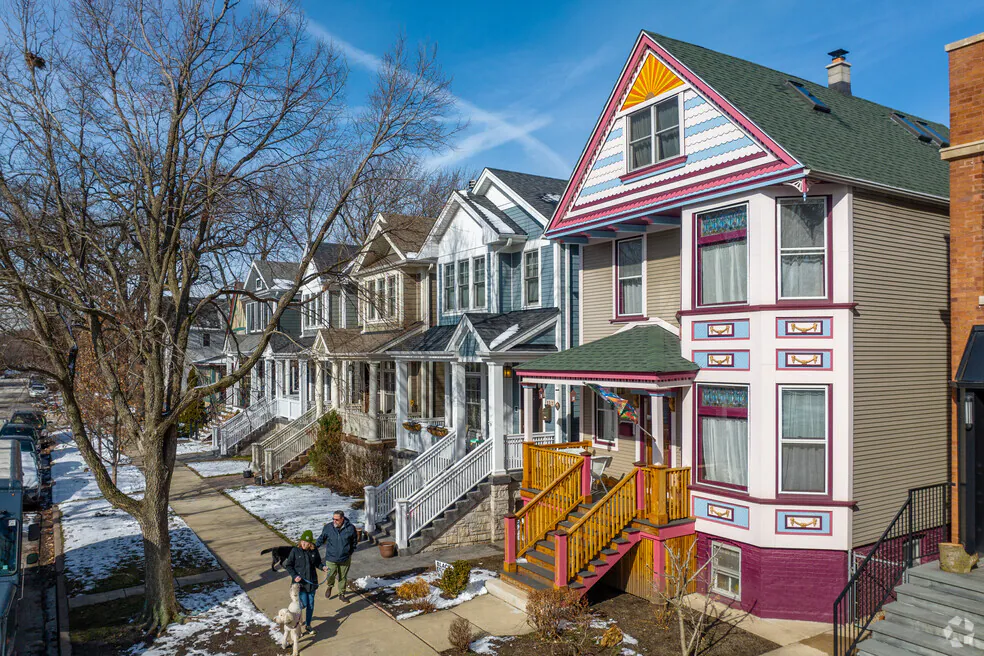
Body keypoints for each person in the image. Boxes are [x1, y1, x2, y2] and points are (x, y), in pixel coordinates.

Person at [283, 530, 325, 633]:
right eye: (302, 542)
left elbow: (317, 563)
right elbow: (288, 565)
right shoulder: (295, 551)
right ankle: (297, 621)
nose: (303, 544)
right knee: (303, 604)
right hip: (299, 584)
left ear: (310, 543)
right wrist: (295, 575)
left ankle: (308, 625)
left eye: (306, 543)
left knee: (311, 605)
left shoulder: (314, 550)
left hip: (311, 583)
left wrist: (322, 567)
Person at [315, 510, 358, 601]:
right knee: (330, 575)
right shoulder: (328, 527)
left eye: (337, 519)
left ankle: (341, 594)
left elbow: (354, 541)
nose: (334, 521)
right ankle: (330, 586)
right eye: (333, 519)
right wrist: (313, 548)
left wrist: (349, 552)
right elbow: (321, 539)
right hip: (331, 558)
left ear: (342, 519)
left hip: (345, 558)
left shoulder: (350, 528)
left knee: (343, 577)